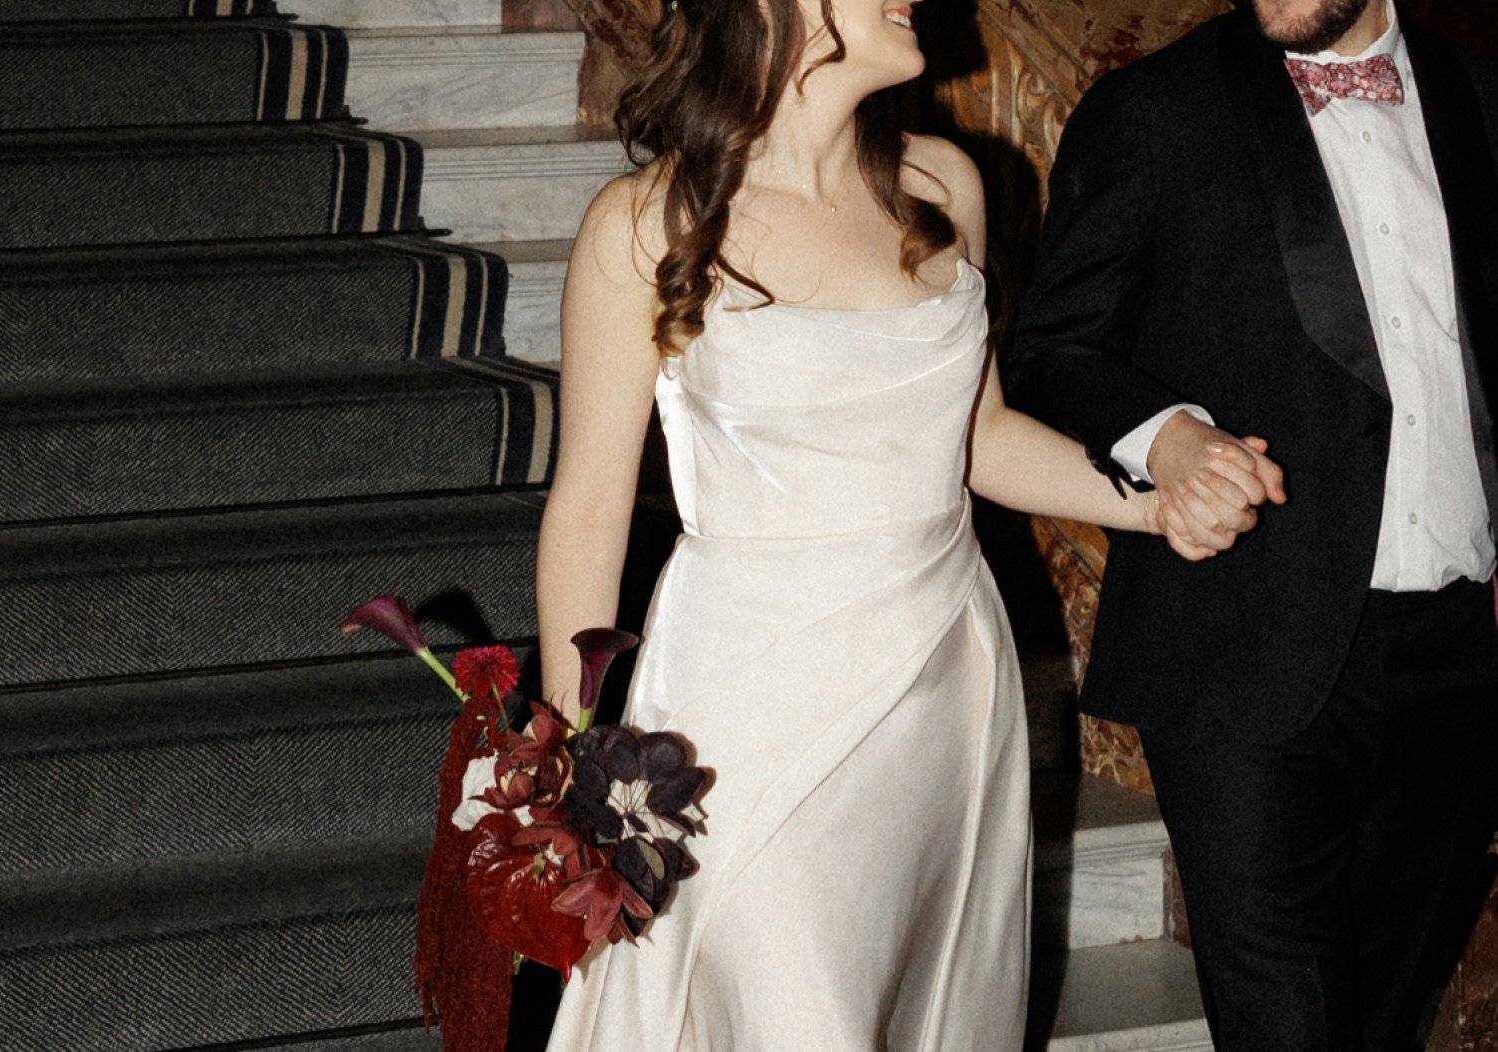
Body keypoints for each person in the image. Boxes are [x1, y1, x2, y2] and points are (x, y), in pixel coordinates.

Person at [532, 0, 1272, 1047]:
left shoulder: (940, 188)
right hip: (743, 711)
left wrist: (1153, 507)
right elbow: (591, 506)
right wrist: (565, 751)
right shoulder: (644, 221)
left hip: (941, 697)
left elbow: (973, 439)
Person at [1003, 0, 1498, 1047]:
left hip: (1454, 658)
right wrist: (1168, 439)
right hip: (1235, 650)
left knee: (1375, 1017)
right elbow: (1051, 348)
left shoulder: (1479, 99)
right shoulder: (1150, 110)